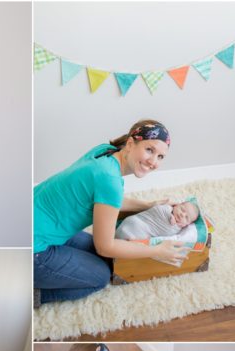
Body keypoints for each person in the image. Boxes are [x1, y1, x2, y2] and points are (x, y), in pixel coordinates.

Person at [33, 120, 188, 305]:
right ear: (130, 144)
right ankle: (33, 295)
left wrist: (149, 205)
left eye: (161, 156)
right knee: (100, 276)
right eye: (149, 150)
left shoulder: (105, 151)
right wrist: (156, 250)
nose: (153, 162)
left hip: (38, 223)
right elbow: (104, 246)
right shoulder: (110, 180)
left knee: (108, 259)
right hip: (33, 248)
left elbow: (106, 200)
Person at [116, 201, 200, 240]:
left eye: (186, 217)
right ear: (176, 205)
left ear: (187, 224)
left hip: (142, 235)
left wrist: (175, 226)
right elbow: (158, 210)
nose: (182, 214)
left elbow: (167, 236)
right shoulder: (166, 209)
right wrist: (170, 216)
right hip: (137, 223)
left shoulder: (178, 230)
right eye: (182, 209)